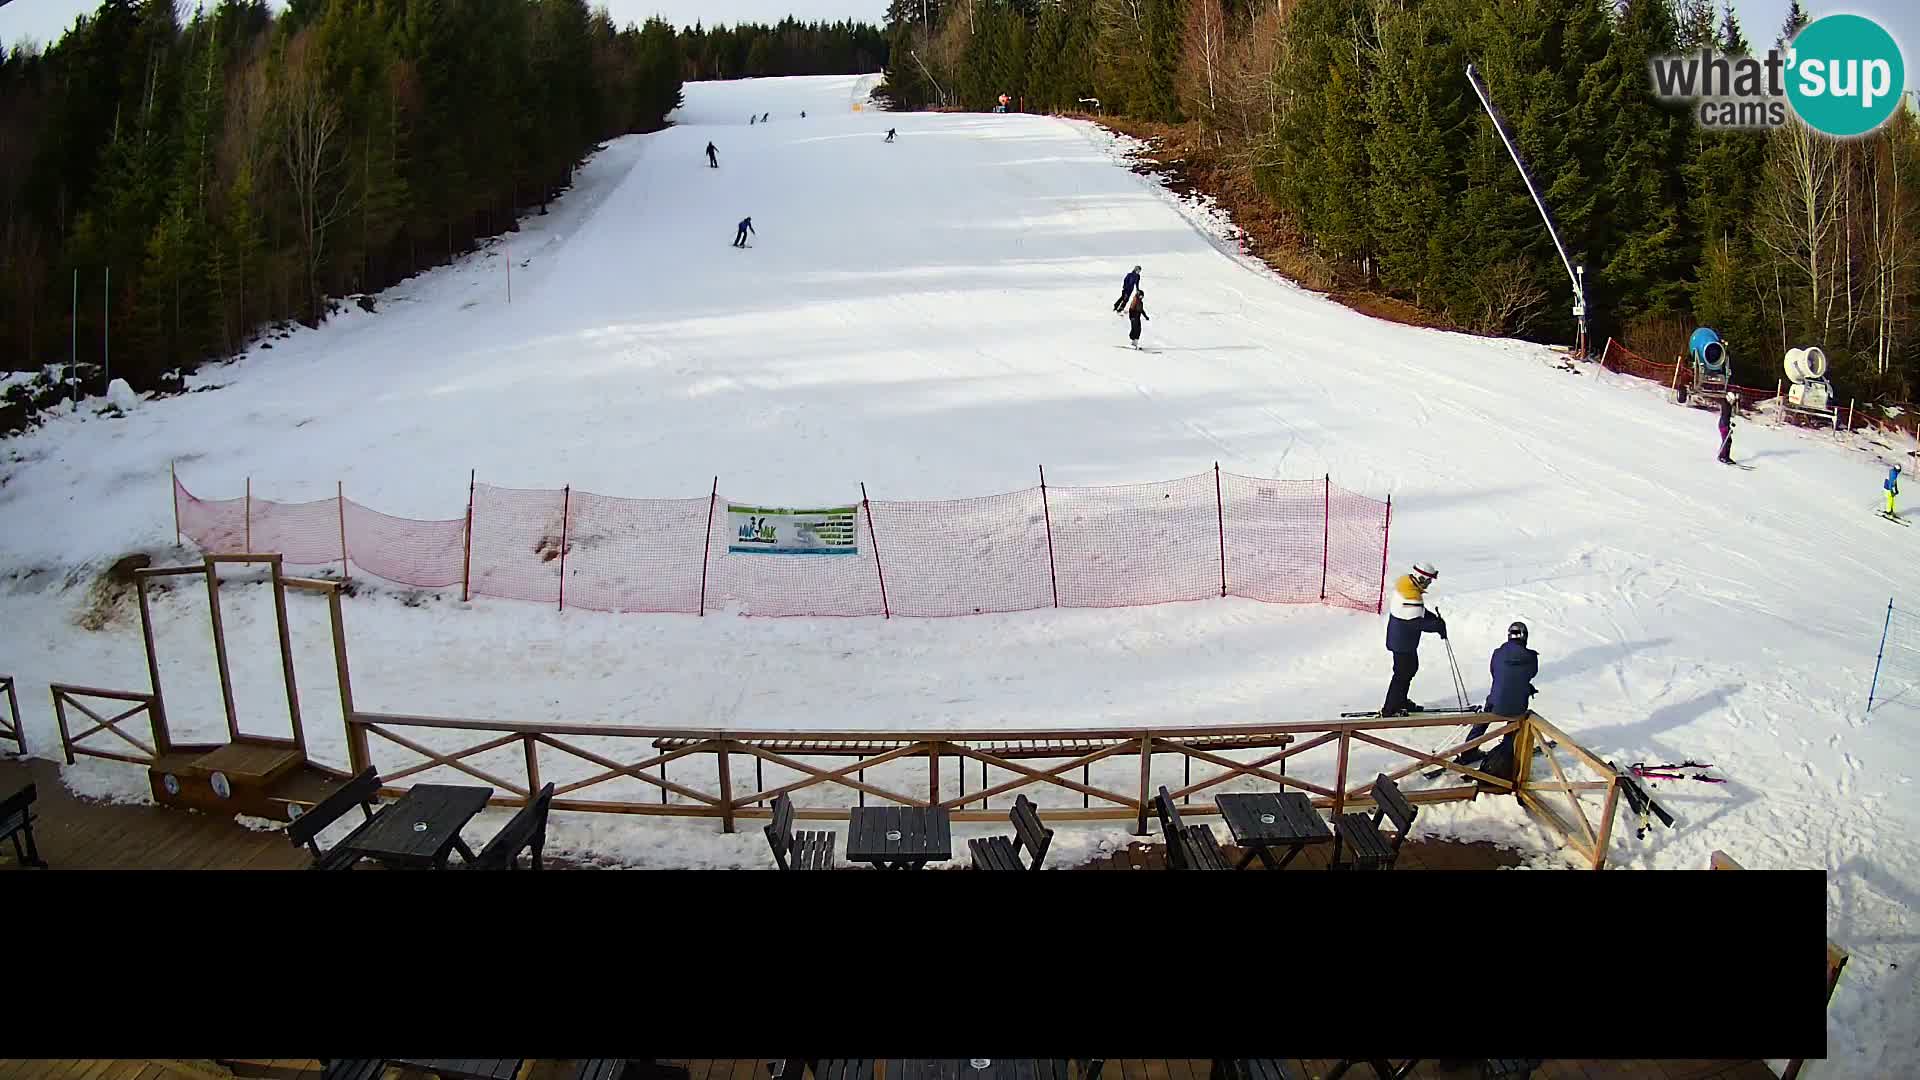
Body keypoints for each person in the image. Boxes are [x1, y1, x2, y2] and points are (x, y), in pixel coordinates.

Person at [1456, 622, 1538, 766]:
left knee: (1482, 721)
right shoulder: (1531, 657)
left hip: (1496, 702)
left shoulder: (1498, 653)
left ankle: (1469, 751)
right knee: (1515, 719)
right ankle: (1507, 750)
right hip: (1518, 705)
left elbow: (1494, 672)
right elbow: (1531, 674)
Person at [1381, 561, 1447, 717]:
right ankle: (1390, 708)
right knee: (1401, 673)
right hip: (1402, 642)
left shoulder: (1407, 586)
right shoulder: (1410, 594)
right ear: (1421, 578)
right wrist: (1437, 626)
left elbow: (1420, 612)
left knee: (1410, 668)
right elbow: (1416, 623)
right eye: (1429, 580)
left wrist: (1434, 620)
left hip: (1404, 640)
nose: (1429, 584)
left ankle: (1400, 700)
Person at [1717, 391, 1736, 464]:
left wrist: (1730, 424)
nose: (1732, 402)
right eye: (1732, 400)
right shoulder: (1726, 406)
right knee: (1726, 441)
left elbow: (1727, 417)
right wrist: (1727, 427)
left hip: (1724, 424)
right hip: (1723, 425)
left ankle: (1725, 456)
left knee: (1728, 441)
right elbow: (1725, 417)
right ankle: (1722, 456)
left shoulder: (1727, 404)